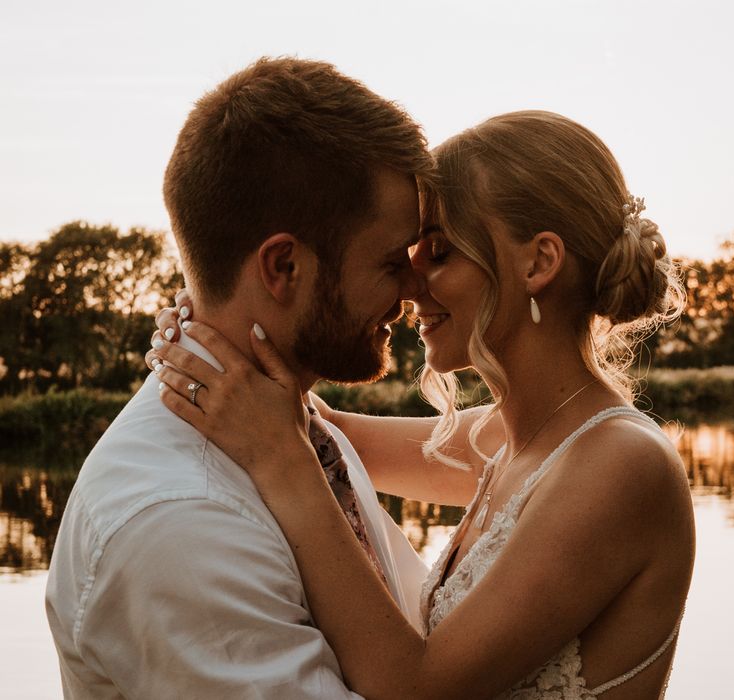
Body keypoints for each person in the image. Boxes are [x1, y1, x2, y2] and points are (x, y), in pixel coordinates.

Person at [148, 111, 696, 699]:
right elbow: (313, 428)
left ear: (537, 263)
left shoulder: (622, 465)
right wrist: (218, 321)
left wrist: (283, 463)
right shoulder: (509, 439)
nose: (408, 286)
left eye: (437, 252)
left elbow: (417, 686)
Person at [45, 56, 449, 698]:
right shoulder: (179, 523)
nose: (413, 289)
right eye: (390, 261)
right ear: (283, 265)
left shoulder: (295, 433)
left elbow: (413, 638)